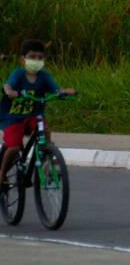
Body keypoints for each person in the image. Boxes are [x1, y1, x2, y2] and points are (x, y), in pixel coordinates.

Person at [0, 40, 75, 185]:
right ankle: (2, 173)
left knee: (45, 131)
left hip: (34, 115)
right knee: (14, 147)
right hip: (13, 117)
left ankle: (47, 162)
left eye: (40, 57)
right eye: (32, 57)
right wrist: (10, 92)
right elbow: (7, 86)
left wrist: (63, 92)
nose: (36, 60)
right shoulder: (19, 74)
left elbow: (55, 89)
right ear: (23, 59)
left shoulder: (44, 76)